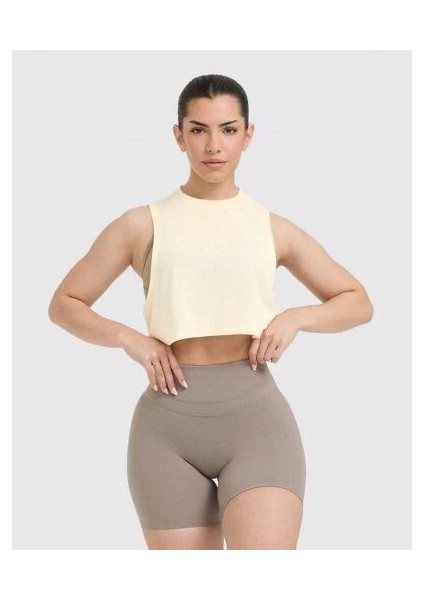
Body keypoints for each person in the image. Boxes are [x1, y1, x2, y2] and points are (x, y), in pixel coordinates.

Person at [48, 73, 374, 550]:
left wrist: (296, 318)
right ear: (179, 136)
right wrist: (129, 338)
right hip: (166, 433)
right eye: (198, 130)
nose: (214, 145)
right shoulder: (142, 225)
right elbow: (64, 303)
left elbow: (357, 301)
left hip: (257, 425)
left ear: (248, 135)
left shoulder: (272, 228)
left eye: (228, 129)